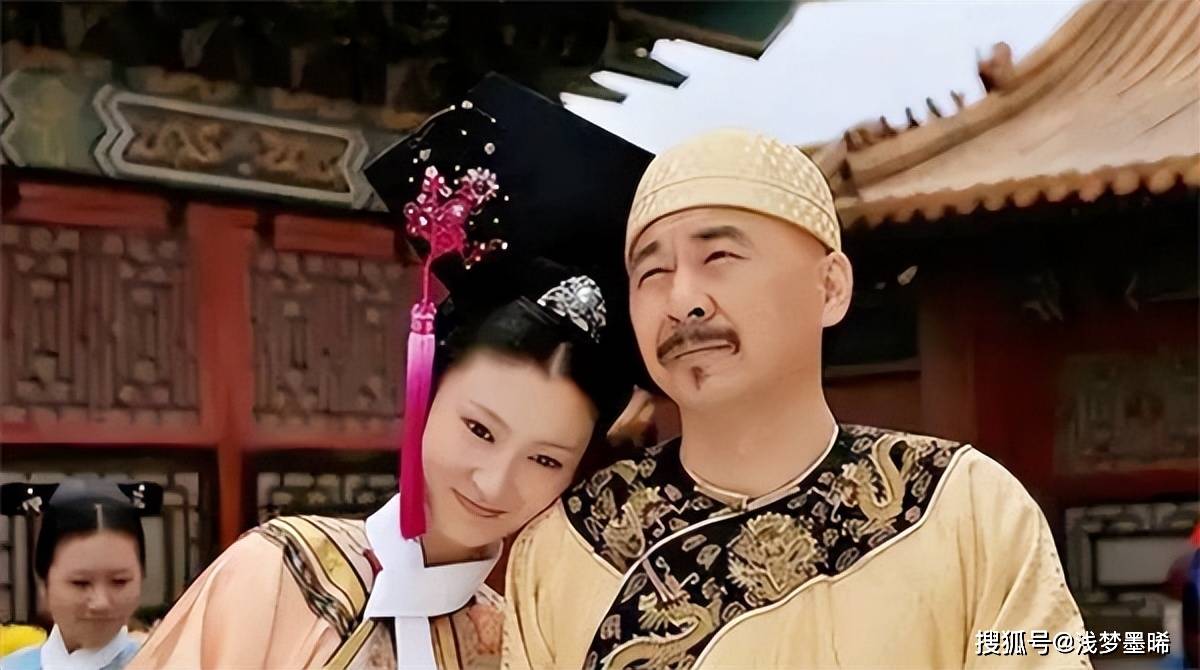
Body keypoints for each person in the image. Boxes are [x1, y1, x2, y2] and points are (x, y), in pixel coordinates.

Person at [502, 128, 1090, 669]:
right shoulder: (567, 545)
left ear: (830, 287)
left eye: (719, 257)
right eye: (652, 273)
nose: (682, 301)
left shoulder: (965, 507)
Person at [128, 74, 651, 670]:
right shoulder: (280, 574)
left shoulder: (514, 645)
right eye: (480, 429)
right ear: (426, 393)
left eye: (546, 460)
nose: (493, 482)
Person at [2, 480, 148, 670]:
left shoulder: (165, 663)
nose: (101, 602)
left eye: (119, 581)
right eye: (81, 583)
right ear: (44, 583)